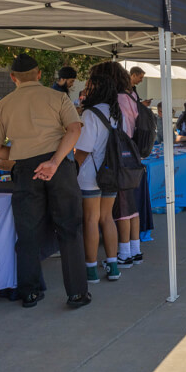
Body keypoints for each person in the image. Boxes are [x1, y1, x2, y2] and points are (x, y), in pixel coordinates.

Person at [0, 53, 91, 309]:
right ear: (39, 74)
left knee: (28, 233)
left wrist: (24, 156)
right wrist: (53, 161)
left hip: (25, 169)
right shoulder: (58, 97)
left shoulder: (2, 105)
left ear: (13, 78)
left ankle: (29, 293)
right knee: (69, 229)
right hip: (60, 166)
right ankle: (76, 293)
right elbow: (75, 130)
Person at [74, 72, 121, 283]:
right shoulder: (117, 113)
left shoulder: (90, 114)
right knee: (107, 218)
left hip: (90, 175)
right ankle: (113, 266)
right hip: (112, 173)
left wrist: (72, 168)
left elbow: (83, 149)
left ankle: (91, 269)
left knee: (91, 220)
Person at [96, 61, 142, 268]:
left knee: (121, 208)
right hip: (130, 154)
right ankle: (134, 248)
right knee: (130, 205)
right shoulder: (131, 97)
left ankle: (124, 253)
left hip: (117, 157)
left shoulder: (117, 99)